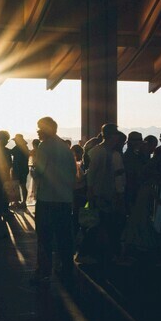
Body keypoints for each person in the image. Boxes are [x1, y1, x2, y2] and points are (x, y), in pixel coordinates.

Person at [30, 117, 76, 284]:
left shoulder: (44, 147)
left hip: (47, 199)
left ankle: (43, 272)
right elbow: (73, 173)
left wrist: (32, 171)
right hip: (64, 199)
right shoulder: (64, 147)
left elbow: (39, 171)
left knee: (44, 238)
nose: (38, 131)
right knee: (64, 236)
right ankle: (66, 269)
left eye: (40, 128)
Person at [86, 123, 126, 262]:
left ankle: (99, 253)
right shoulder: (108, 153)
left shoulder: (96, 151)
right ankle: (107, 254)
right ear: (111, 136)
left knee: (100, 224)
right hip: (105, 195)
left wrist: (90, 191)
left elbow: (91, 174)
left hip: (100, 194)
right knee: (107, 224)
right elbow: (94, 174)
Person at [11, 134, 30, 210]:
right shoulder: (25, 147)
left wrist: (11, 142)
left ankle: (16, 202)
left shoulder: (17, 148)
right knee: (23, 185)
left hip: (17, 169)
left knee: (16, 186)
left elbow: (8, 150)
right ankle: (23, 202)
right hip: (24, 169)